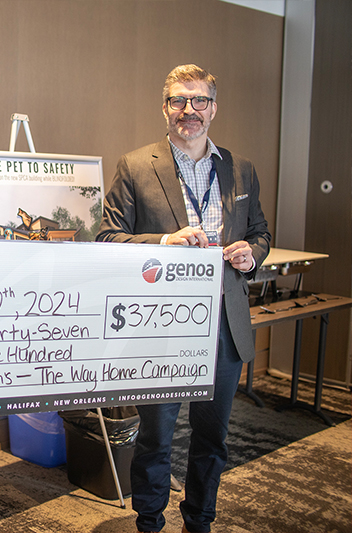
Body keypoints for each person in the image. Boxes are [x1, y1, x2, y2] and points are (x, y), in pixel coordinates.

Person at [96, 64, 270, 533]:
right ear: (165, 107)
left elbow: (261, 234)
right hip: (162, 325)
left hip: (223, 327)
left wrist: (251, 255)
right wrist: (165, 243)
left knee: (212, 438)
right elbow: (107, 238)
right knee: (155, 437)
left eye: (199, 101)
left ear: (214, 108)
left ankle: (200, 521)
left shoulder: (240, 168)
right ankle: (149, 521)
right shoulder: (135, 165)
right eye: (178, 100)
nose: (188, 110)